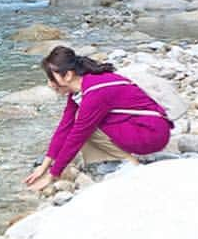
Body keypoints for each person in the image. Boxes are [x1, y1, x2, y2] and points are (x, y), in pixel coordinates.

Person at [24, 45, 172, 192]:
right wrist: (44, 166)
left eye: (51, 77)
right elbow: (64, 127)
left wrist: (52, 175)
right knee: (81, 123)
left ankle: (130, 164)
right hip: (144, 127)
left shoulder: (95, 92)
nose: (49, 83)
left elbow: (77, 136)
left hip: (152, 134)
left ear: (68, 75)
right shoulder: (82, 88)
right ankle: (120, 159)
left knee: (83, 125)